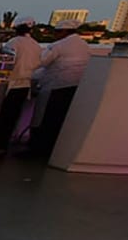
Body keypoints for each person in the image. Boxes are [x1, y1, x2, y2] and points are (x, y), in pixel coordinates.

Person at [25, 24, 94, 157]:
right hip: (74, 86)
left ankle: (36, 150)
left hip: (55, 86)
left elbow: (41, 62)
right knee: (59, 120)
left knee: (44, 118)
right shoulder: (84, 45)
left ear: (64, 31)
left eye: (57, 32)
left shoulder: (58, 46)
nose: (55, 34)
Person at [0, 19, 42, 148]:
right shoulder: (36, 45)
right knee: (13, 117)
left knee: (3, 118)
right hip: (25, 86)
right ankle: (4, 145)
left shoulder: (13, 43)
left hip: (11, 85)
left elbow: (6, 62)